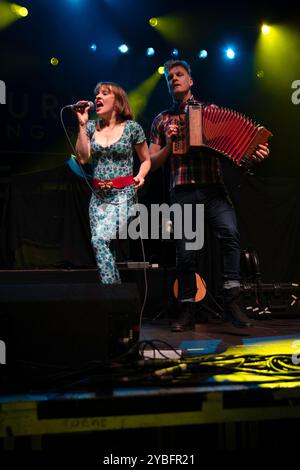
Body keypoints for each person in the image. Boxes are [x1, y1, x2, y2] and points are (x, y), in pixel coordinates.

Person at [149, 60, 270, 331]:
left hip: (213, 188)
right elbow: (152, 162)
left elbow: (239, 148)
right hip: (182, 191)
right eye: (170, 77)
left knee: (230, 234)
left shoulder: (212, 112)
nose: (174, 79)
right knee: (186, 253)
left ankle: (231, 299)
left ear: (191, 81)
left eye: (179, 75)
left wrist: (256, 153)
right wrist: (169, 144)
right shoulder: (161, 120)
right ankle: (188, 309)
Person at [75, 82, 151, 284]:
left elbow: (146, 159)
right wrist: (82, 125)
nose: (97, 96)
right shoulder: (91, 127)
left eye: (104, 93)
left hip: (123, 194)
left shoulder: (132, 128)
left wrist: (141, 175)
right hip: (98, 197)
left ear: (117, 102)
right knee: (105, 246)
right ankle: (117, 303)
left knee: (99, 239)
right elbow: (82, 158)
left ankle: (113, 292)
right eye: (96, 93)